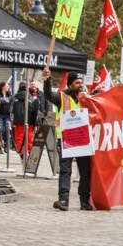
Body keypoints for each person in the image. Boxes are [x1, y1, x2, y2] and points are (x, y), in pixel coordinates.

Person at [43, 67, 93, 211]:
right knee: (65, 170)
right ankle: (63, 200)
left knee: (85, 172)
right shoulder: (61, 97)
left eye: (81, 82)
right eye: (77, 83)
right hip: (66, 139)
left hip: (83, 139)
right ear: (70, 84)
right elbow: (48, 95)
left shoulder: (85, 98)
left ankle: (84, 201)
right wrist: (47, 80)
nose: (80, 85)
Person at [11, 82, 41, 158]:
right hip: (30, 120)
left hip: (18, 121)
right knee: (30, 138)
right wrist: (35, 123)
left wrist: (12, 120)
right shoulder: (30, 97)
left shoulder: (15, 97)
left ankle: (22, 154)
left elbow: (10, 110)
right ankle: (30, 153)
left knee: (19, 138)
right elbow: (35, 110)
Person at [0, 81, 13, 153]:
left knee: (7, 129)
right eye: (7, 86)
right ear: (2, 87)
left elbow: (12, 105)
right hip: (0, 114)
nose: (8, 87)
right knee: (1, 129)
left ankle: (7, 145)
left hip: (7, 115)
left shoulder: (10, 96)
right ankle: (0, 145)